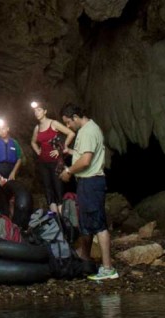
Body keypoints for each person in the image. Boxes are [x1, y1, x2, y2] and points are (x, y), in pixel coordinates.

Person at [59, 104, 117, 281]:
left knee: (98, 223)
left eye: (68, 123)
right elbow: (82, 154)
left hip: (92, 182)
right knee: (86, 223)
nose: (68, 127)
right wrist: (69, 151)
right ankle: (85, 259)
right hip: (85, 183)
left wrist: (68, 171)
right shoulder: (85, 131)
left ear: (76, 117)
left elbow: (85, 161)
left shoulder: (89, 131)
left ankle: (108, 269)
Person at [30, 102, 75, 213]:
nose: (37, 112)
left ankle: (64, 221)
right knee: (48, 190)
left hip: (55, 162)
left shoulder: (53, 123)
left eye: (39, 110)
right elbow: (33, 142)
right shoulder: (37, 127)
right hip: (43, 163)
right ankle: (55, 219)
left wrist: (60, 149)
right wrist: (38, 151)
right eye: (35, 111)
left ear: (45, 111)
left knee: (58, 188)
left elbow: (71, 133)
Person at [0, 119, 23, 187]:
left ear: (7, 128)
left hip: (11, 170)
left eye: (3, 129)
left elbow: (19, 159)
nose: (2, 131)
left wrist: (13, 172)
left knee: (10, 192)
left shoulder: (14, 143)